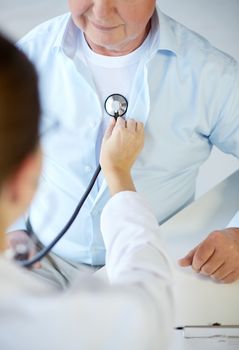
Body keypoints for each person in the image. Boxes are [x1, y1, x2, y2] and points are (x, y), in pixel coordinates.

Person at [8, 0, 239, 284]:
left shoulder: (212, 75)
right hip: (42, 263)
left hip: (155, 270)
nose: (102, 11)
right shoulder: (31, 53)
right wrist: (12, 227)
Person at [0, 33, 173, 349]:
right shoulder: (45, 326)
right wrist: (118, 174)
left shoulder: (213, 73)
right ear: (28, 172)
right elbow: (149, 313)